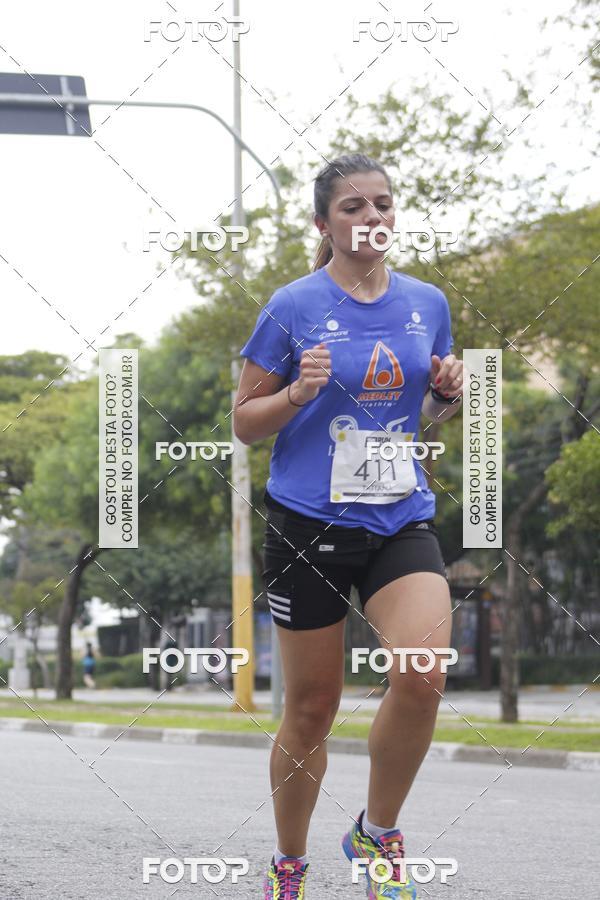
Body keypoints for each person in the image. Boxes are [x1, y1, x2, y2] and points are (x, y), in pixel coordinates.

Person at [233, 154, 463, 899]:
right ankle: (289, 862)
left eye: (383, 205)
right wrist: (297, 392)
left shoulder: (427, 302)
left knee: (424, 674)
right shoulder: (291, 306)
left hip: (400, 518)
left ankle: (378, 833)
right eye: (354, 208)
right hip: (307, 524)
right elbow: (243, 423)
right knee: (311, 709)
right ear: (323, 224)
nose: (372, 219)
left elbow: (420, 417)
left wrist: (445, 401)